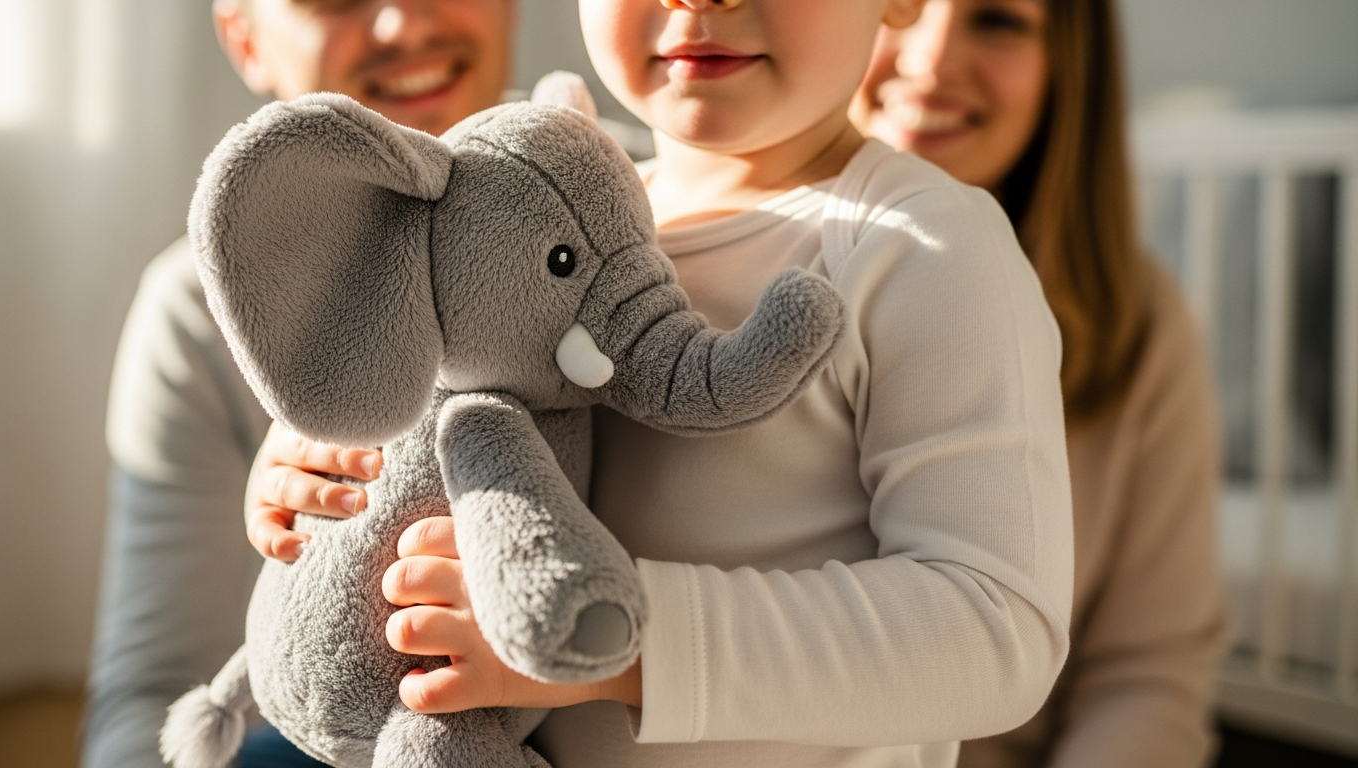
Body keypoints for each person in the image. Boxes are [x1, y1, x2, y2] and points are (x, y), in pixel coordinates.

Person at [245, 0, 1077, 765]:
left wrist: (620, 649)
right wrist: (319, 467)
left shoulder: (925, 247)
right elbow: (449, 408)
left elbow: (995, 630)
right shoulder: (536, 210)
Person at [82, 1, 514, 766]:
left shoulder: (677, 223)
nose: (402, 28)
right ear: (247, 40)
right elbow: (152, 696)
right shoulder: (198, 313)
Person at [850, 1, 1229, 766]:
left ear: (1067, 66)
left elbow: (1147, 674)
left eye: (997, 19)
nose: (930, 60)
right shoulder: (674, 283)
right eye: (901, 6)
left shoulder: (1143, 324)